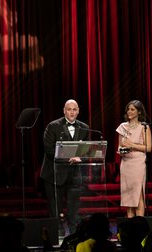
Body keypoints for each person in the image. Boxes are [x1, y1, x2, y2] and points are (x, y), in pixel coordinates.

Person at [40, 99, 90, 235]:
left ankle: (74, 233)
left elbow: (87, 150)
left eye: (74, 109)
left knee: (73, 207)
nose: (72, 112)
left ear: (78, 111)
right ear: (64, 110)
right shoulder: (53, 126)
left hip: (74, 174)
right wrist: (69, 158)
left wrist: (81, 157)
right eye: (69, 109)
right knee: (55, 207)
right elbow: (49, 149)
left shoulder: (84, 127)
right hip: (54, 174)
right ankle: (57, 232)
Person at [116, 100, 152, 218]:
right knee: (128, 196)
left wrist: (132, 145)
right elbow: (120, 146)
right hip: (126, 163)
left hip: (138, 163)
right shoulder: (122, 126)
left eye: (132, 109)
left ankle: (140, 224)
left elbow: (148, 147)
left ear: (139, 111)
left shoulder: (144, 127)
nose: (129, 111)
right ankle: (130, 225)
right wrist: (121, 151)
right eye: (128, 109)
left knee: (138, 193)